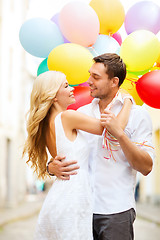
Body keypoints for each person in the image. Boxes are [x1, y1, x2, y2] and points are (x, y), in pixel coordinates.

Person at [47, 53, 154, 240]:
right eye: (90, 74)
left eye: (95, 77)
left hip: (117, 212)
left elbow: (146, 167)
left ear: (114, 81)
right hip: (80, 210)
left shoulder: (138, 116)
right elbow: (66, 151)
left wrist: (120, 134)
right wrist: (50, 167)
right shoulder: (82, 113)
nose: (88, 81)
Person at [23, 69, 132, 240]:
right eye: (66, 86)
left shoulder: (46, 125)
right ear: (54, 96)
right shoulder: (68, 117)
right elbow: (112, 129)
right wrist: (127, 101)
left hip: (60, 195)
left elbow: (59, 158)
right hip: (73, 197)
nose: (72, 88)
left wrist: (50, 168)